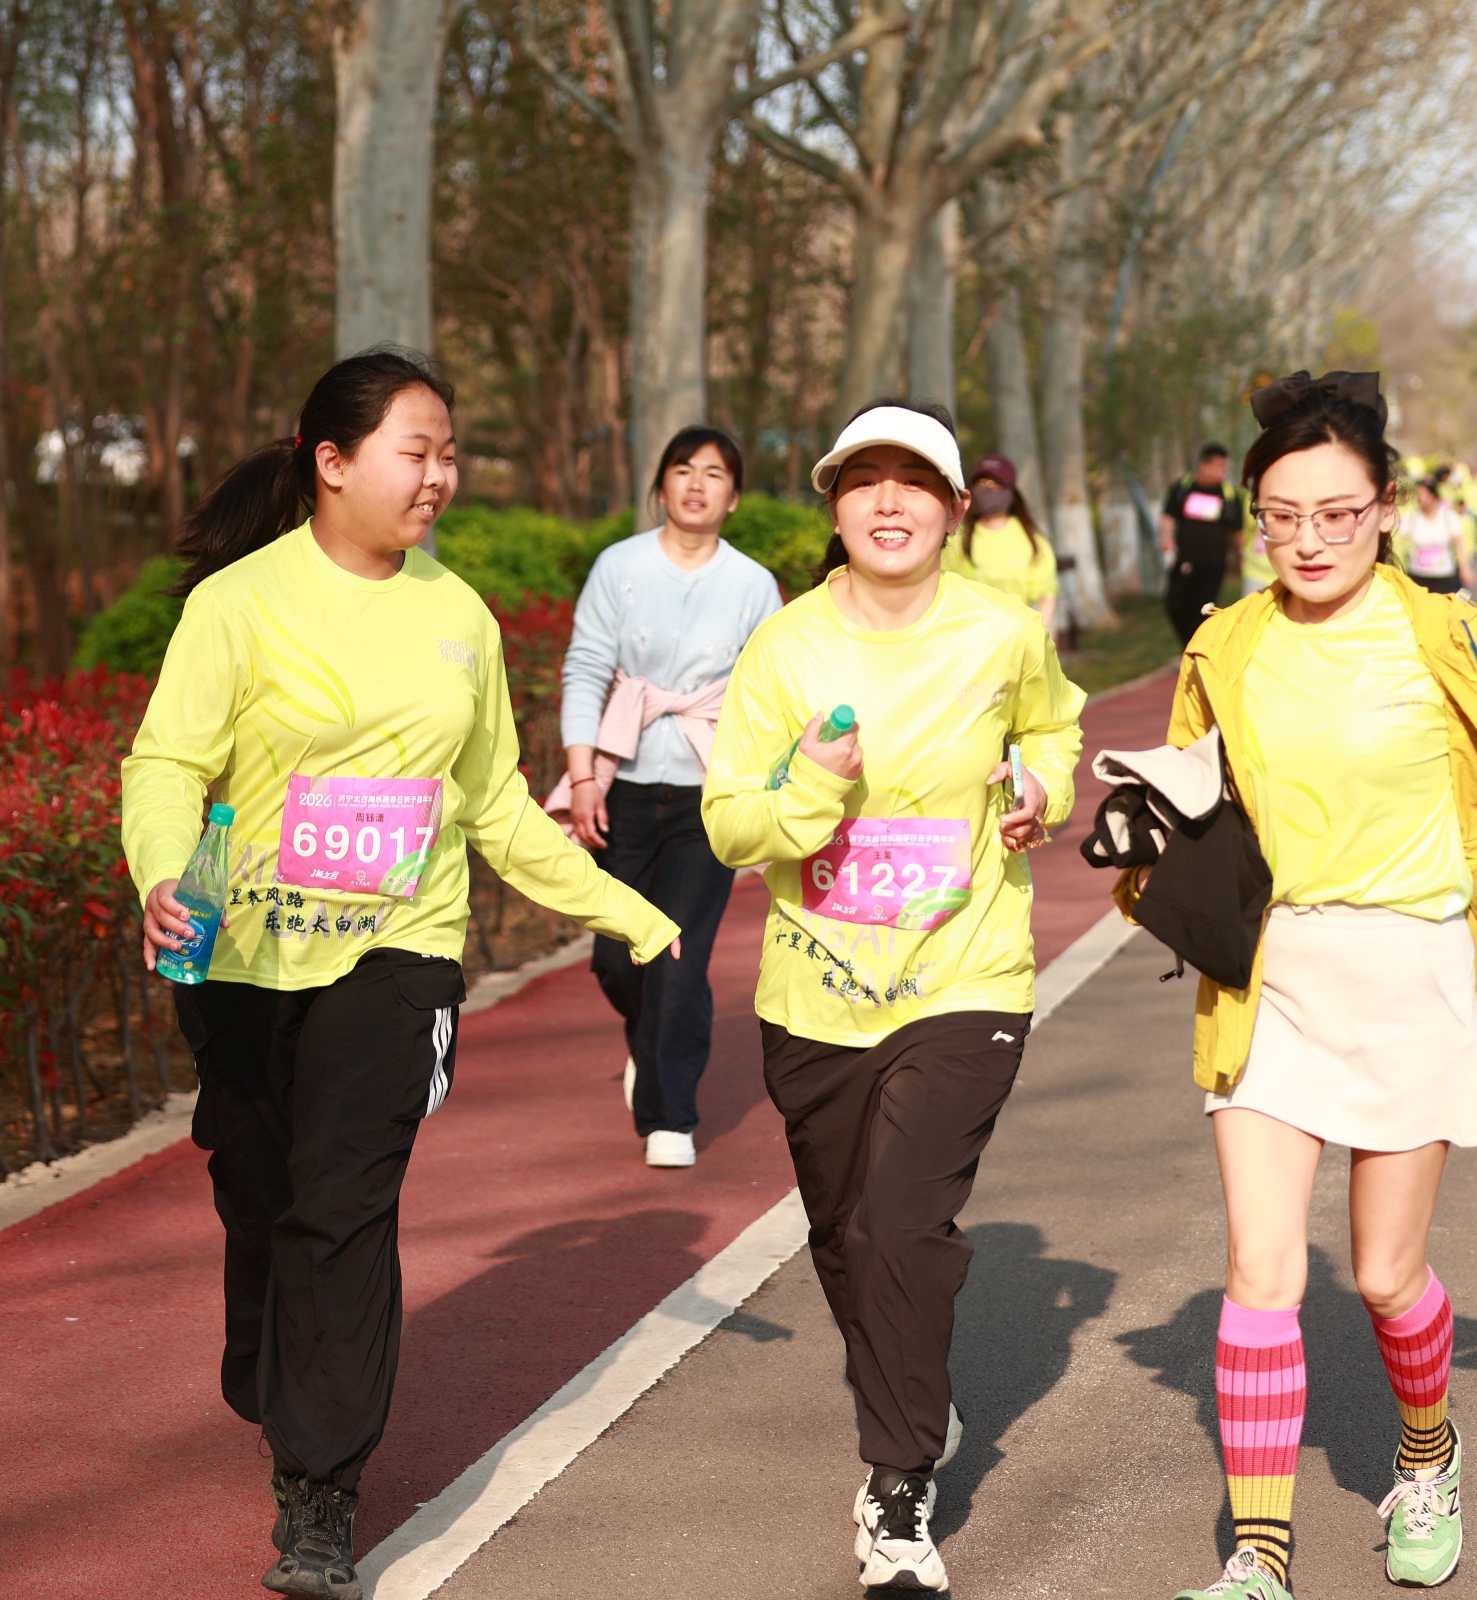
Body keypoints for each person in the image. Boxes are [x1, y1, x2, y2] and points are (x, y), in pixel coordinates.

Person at [122, 348, 681, 1599]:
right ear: (331, 462)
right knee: (263, 1194)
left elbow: (494, 804)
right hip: (244, 952)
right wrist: (161, 869)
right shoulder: (240, 604)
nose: (439, 476)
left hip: (399, 951)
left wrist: (626, 909)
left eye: (448, 454)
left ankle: (319, 1492)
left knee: (343, 1202)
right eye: (414, 452)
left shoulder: (458, 616)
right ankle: (272, 1359)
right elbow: (167, 763)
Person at [1140, 370, 1477, 1600]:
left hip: (1409, 969)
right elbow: (1196, 789)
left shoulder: (1445, 635)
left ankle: (1428, 1454)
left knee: (1387, 1276)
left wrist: (1462, 880)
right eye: (1283, 516)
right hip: (1274, 978)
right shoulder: (1225, 643)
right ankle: (1259, 1560)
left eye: (1337, 513)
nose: (1309, 540)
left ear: (1387, 507)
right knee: (1262, 1272)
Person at [702, 399, 1085, 1593]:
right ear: (833, 506)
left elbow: (1055, 729)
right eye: (862, 480)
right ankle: (912, 1390)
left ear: (955, 507)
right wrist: (814, 788)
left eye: (913, 481)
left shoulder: (1001, 631)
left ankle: (900, 1488)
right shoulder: (785, 648)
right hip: (817, 990)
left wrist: (1041, 792)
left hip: (966, 971)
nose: (887, 501)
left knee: (901, 1226)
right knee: (844, 1236)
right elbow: (730, 825)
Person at [554, 425, 782, 1169]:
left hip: (705, 794)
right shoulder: (619, 567)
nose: (696, 484)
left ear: (734, 496)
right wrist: (582, 777)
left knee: (680, 959)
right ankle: (648, 1045)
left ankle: (669, 1115)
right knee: (616, 961)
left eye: (714, 473)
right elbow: (586, 668)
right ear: (660, 486)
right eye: (683, 470)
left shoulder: (752, 585)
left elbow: (768, 697)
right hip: (621, 784)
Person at [942, 453, 1058, 627]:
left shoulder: (1032, 539)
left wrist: (1038, 634)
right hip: (970, 632)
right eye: (981, 484)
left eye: (995, 484)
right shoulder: (957, 537)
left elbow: (1046, 594)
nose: (987, 490)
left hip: (1017, 633)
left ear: (1011, 493)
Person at [1162, 442, 1246, 643]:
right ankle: (1188, 645)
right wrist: (1166, 539)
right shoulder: (1183, 488)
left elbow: (1238, 530)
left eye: (1225, 467)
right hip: (1185, 560)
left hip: (1213, 563)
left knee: (1202, 610)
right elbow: (1168, 517)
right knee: (1175, 604)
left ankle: (1197, 649)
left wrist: (1242, 557)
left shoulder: (1229, 495)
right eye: (1219, 467)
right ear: (1204, 465)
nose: (1223, 472)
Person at [1397, 475, 1470, 595]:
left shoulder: (1448, 516)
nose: (1418, 498)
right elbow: (1400, 540)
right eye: (1417, 494)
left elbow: (1458, 544)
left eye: (1422, 494)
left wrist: (1464, 568)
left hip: (1443, 575)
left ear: (1432, 496)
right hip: (1417, 574)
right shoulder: (1413, 517)